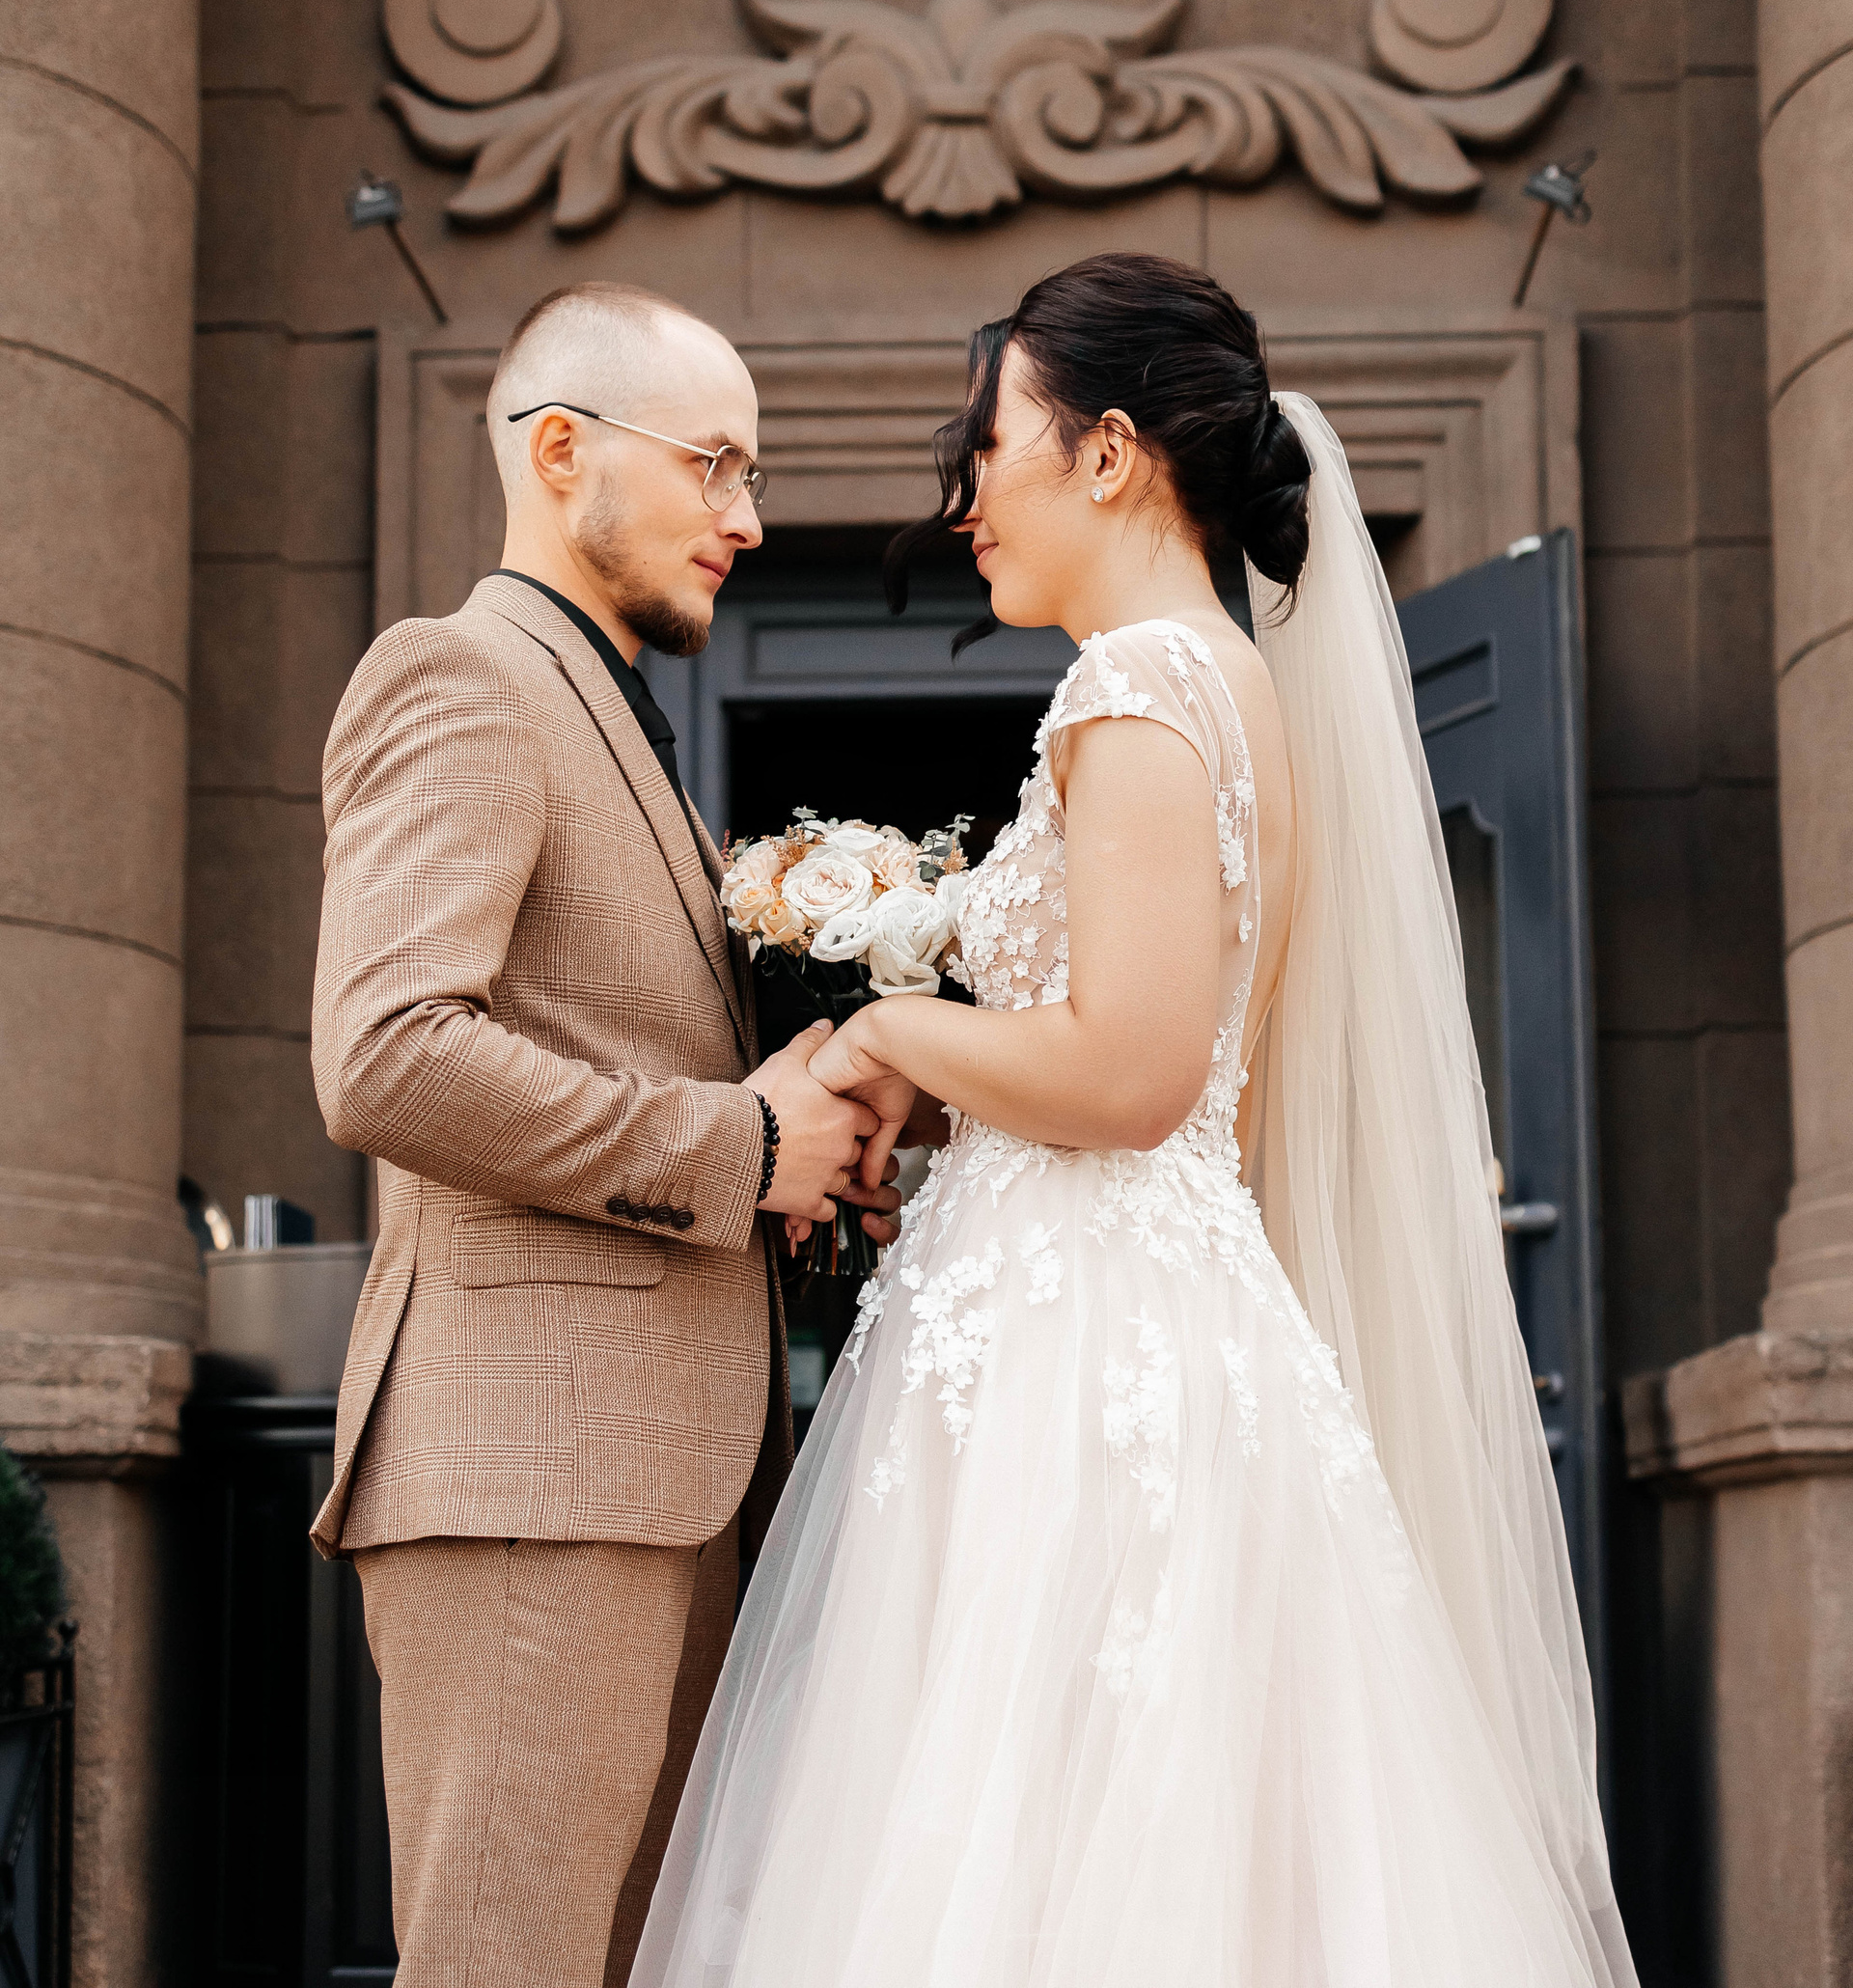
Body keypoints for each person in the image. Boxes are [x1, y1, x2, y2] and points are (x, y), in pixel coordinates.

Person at [633, 251, 1638, 1988]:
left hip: (1086, 1361)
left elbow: (1135, 1075)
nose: (966, 498)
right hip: (1120, 1312)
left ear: (1105, 453)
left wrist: (887, 1029)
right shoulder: (1215, 684)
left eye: (989, 442)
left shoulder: (1137, 689)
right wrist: (940, 1094)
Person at [308, 282, 897, 1988]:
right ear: (560, 451)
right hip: (530, 1482)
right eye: (715, 463)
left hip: (660, 1484)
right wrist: (740, 1149)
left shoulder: (607, 712)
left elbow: (614, 1052)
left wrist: (806, 1147)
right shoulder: (461, 679)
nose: (748, 517)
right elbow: (386, 1058)